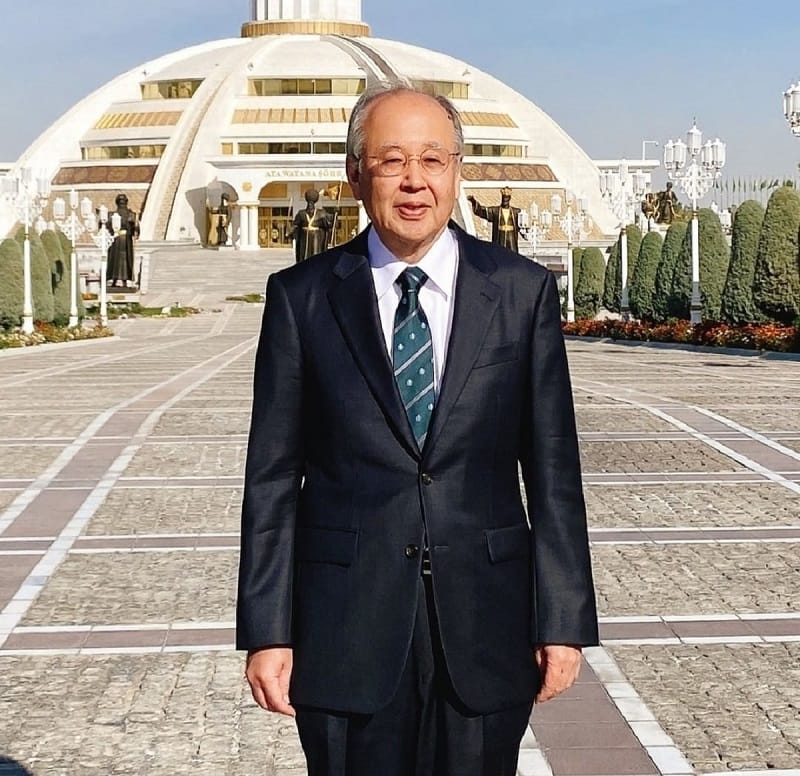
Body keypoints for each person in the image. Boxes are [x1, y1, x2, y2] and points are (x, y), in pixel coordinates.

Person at [237, 80, 598, 776]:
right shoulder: (302, 299)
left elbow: (554, 471)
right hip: (344, 626)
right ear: (354, 174)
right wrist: (267, 631)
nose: (414, 182)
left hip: (486, 624)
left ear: (457, 172)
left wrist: (564, 621)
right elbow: (273, 480)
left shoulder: (521, 292)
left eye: (433, 161)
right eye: (391, 160)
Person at [467, 187, 522, 253]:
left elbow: (522, 225)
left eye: (506, 198)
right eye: (504, 198)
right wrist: (474, 202)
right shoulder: (495, 211)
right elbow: (482, 211)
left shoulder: (516, 211)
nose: (505, 200)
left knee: (512, 255)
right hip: (500, 237)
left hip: (511, 238)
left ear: (509, 199)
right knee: (499, 254)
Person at [287, 188, 334, 262]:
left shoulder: (321, 213)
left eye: (311, 203)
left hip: (316, 238)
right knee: (304, 257)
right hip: (304, 238)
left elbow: (329, 224)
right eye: (309, 203)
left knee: (315, 256)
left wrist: (335, 214)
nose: (310, 205)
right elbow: (295, 225)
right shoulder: (301, 213)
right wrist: (290, 231)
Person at [106, 193, 139, 287]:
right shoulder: (112, 215)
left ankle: (125, 279)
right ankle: (114, 279)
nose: (122, 204)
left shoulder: (131, 215)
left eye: (123, 202)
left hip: (126, 241)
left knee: (125, 260)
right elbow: (107, 227)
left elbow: (135, 230)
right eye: (120, 202)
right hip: (116, 240)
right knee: (115, 260)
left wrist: (135, 226)